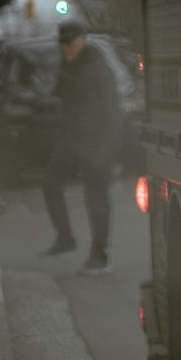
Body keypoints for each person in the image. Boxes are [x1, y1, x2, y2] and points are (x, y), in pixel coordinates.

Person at [42, 19, 121, 273]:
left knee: (96, 196)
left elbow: (113, 112)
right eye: (62, 43)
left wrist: (106, 149)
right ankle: (65, 238)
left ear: (82, 40)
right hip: (72, 139)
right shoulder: (67, 67)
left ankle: (100, 254)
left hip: (97, 141)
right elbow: (58, 97)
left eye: (70, 42)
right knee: (50, 183)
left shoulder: (99, 68)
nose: (66, 48)